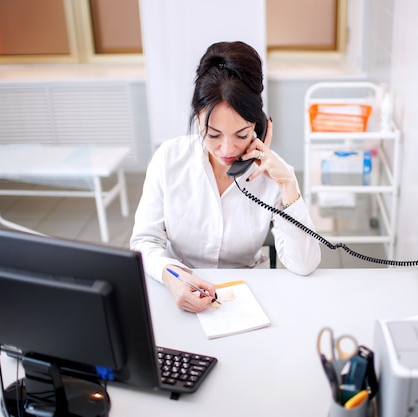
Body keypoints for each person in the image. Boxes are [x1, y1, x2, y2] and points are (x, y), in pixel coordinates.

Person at [130, 41, 321, 313]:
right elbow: (143, 242)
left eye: (242, 135)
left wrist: (288, 186)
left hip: (250, 296)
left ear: (261, 126)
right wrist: (173, 276)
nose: (227, 149)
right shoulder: (169, 159)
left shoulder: (275, 175)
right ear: (197, 119)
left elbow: (304, 265)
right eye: (214, 135)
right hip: (178, 293)